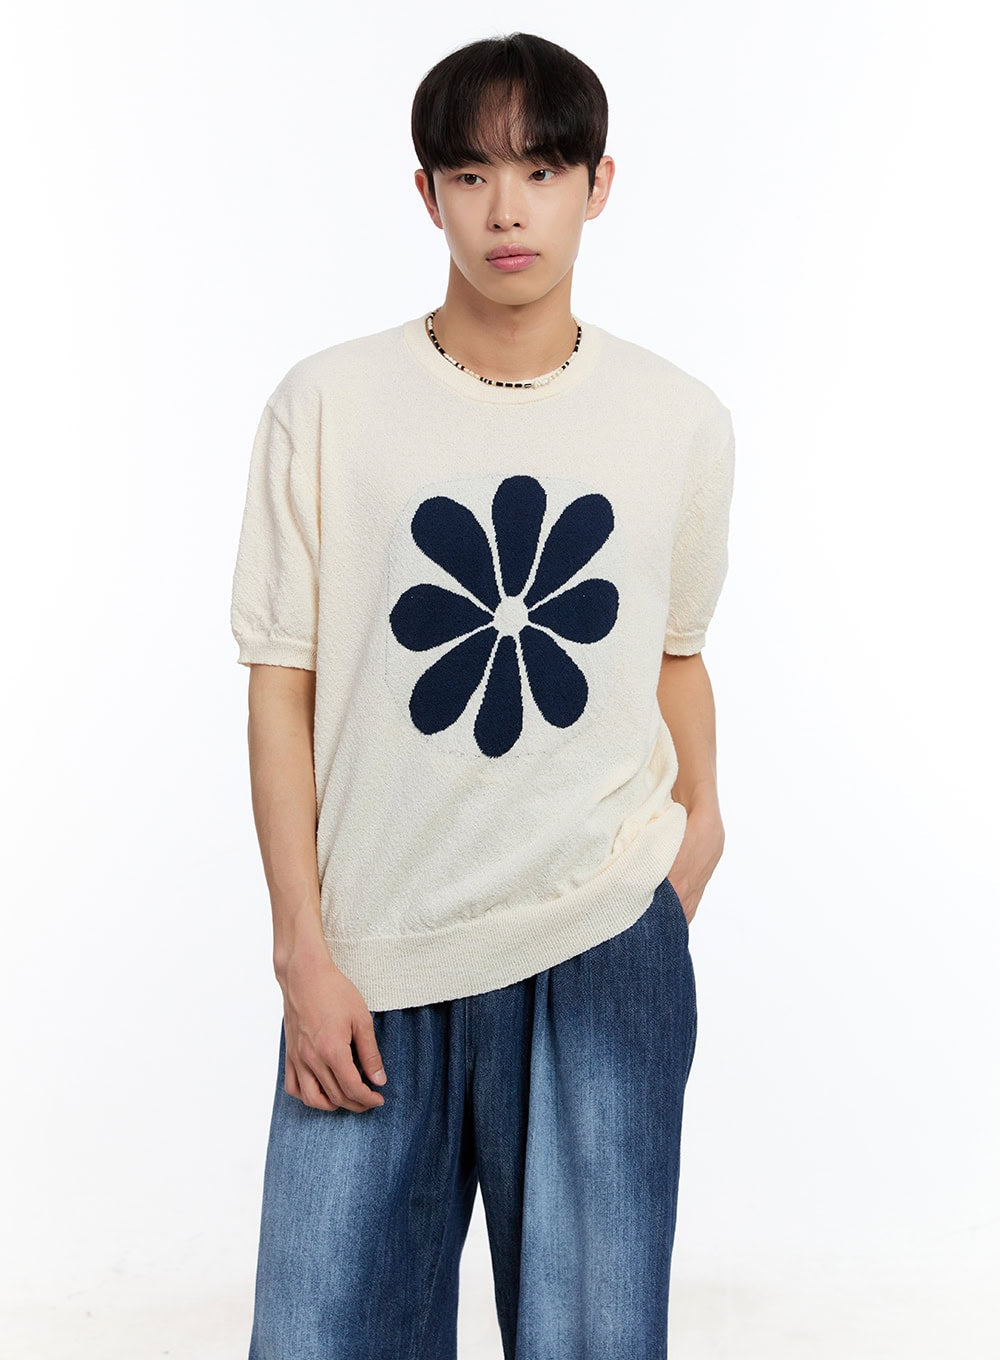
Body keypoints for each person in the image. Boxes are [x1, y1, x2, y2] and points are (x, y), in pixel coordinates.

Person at [230, 30, 736, 1360]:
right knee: (322, 1334)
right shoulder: (327, 406)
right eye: (471, 174)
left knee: (594, 1341)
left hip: (601, 946)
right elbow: (280, 687)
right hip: (375, 957)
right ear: (428, 194)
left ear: (599, 184)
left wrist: (698, 836)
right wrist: (302, 949)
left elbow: (676, 654)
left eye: (543, 170)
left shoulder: (677, 421)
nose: (508, 210)